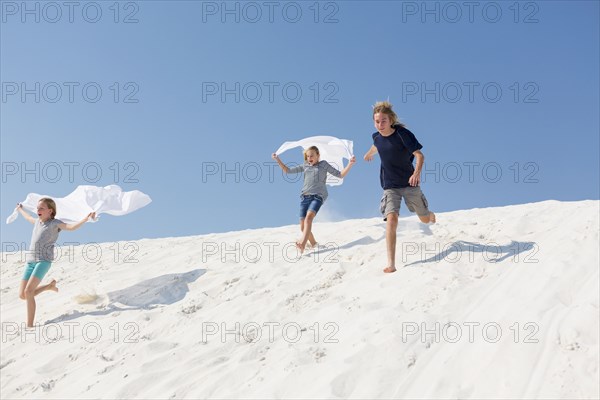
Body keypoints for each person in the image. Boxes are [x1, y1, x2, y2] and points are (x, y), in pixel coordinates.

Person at [364, 101, 436, 273]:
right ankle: (391, 263)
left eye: (383, 121)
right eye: (377, 121)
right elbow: (377, 144)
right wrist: (369, 153)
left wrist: (416, 173)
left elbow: (419, 155)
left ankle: (432, 216)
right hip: (390, 186)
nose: (380, 125)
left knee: (424, 219)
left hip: (409, 183)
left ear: (391, 120)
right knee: (392, 220)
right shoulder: (376, 136)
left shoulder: (403, 134)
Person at [15, 198, 96, 327]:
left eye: (41, 208)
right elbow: (27, 217)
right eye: (37, 208)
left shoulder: (54, 224)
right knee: (22, 295)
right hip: (30, 261)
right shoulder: (37, 222)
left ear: (50, 211)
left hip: (43, 261)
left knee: (29, 292)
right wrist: (20, 209)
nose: (38, 210)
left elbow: (71, 227)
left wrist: (85, 219)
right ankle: (48, 287)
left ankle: (29, 325)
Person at [273, 146, 355, 253]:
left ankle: (302, 244)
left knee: (309, 218)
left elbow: (340, 175)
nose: (309, 158)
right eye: (307, 156)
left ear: (318, 155)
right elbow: (287, 170)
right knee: (303, 227)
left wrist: (350, 164)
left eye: (312, 155)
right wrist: (277, 159)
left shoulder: (323, 164)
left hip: (318, 196)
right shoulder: (305, 166)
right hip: (305, 197)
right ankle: (314, 244)